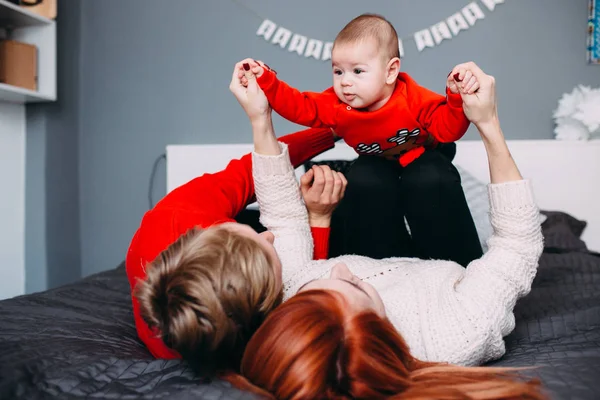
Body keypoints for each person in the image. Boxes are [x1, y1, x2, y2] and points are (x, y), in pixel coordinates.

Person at [230, 61, 545, 399]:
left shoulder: (295, 300)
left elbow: (282, 217)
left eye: (320, 288)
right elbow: (517, 245)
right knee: (429, 176)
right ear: (384, 335)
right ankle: (427, 157)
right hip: (453, 270)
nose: (338, 267)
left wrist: (260, 118)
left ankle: (401, 157)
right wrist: (487, 122)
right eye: (356, 287)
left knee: (367, 175)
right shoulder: (459, 333)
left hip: (376, 241)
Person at [125, 70, 349, 372]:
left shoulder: (180, 212)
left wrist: (333, 129)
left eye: (251, 234)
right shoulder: (262, 340)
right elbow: (303, 286)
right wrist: (319, 219)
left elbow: (255, 171)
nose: (269, 236)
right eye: (267, 251)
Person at [240, 13, 484, 266]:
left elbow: (448, 129)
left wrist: (455, 98)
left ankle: (456, 265)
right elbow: (300, 106)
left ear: (390, 72)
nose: (345, 82)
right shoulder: (337, 105)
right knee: (363, 180)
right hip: (376, 158)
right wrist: (268, 81)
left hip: (422, 152)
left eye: (357, 71)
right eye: (338, 71)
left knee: (430, 177)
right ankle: (380, 267)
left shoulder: (412, 98)